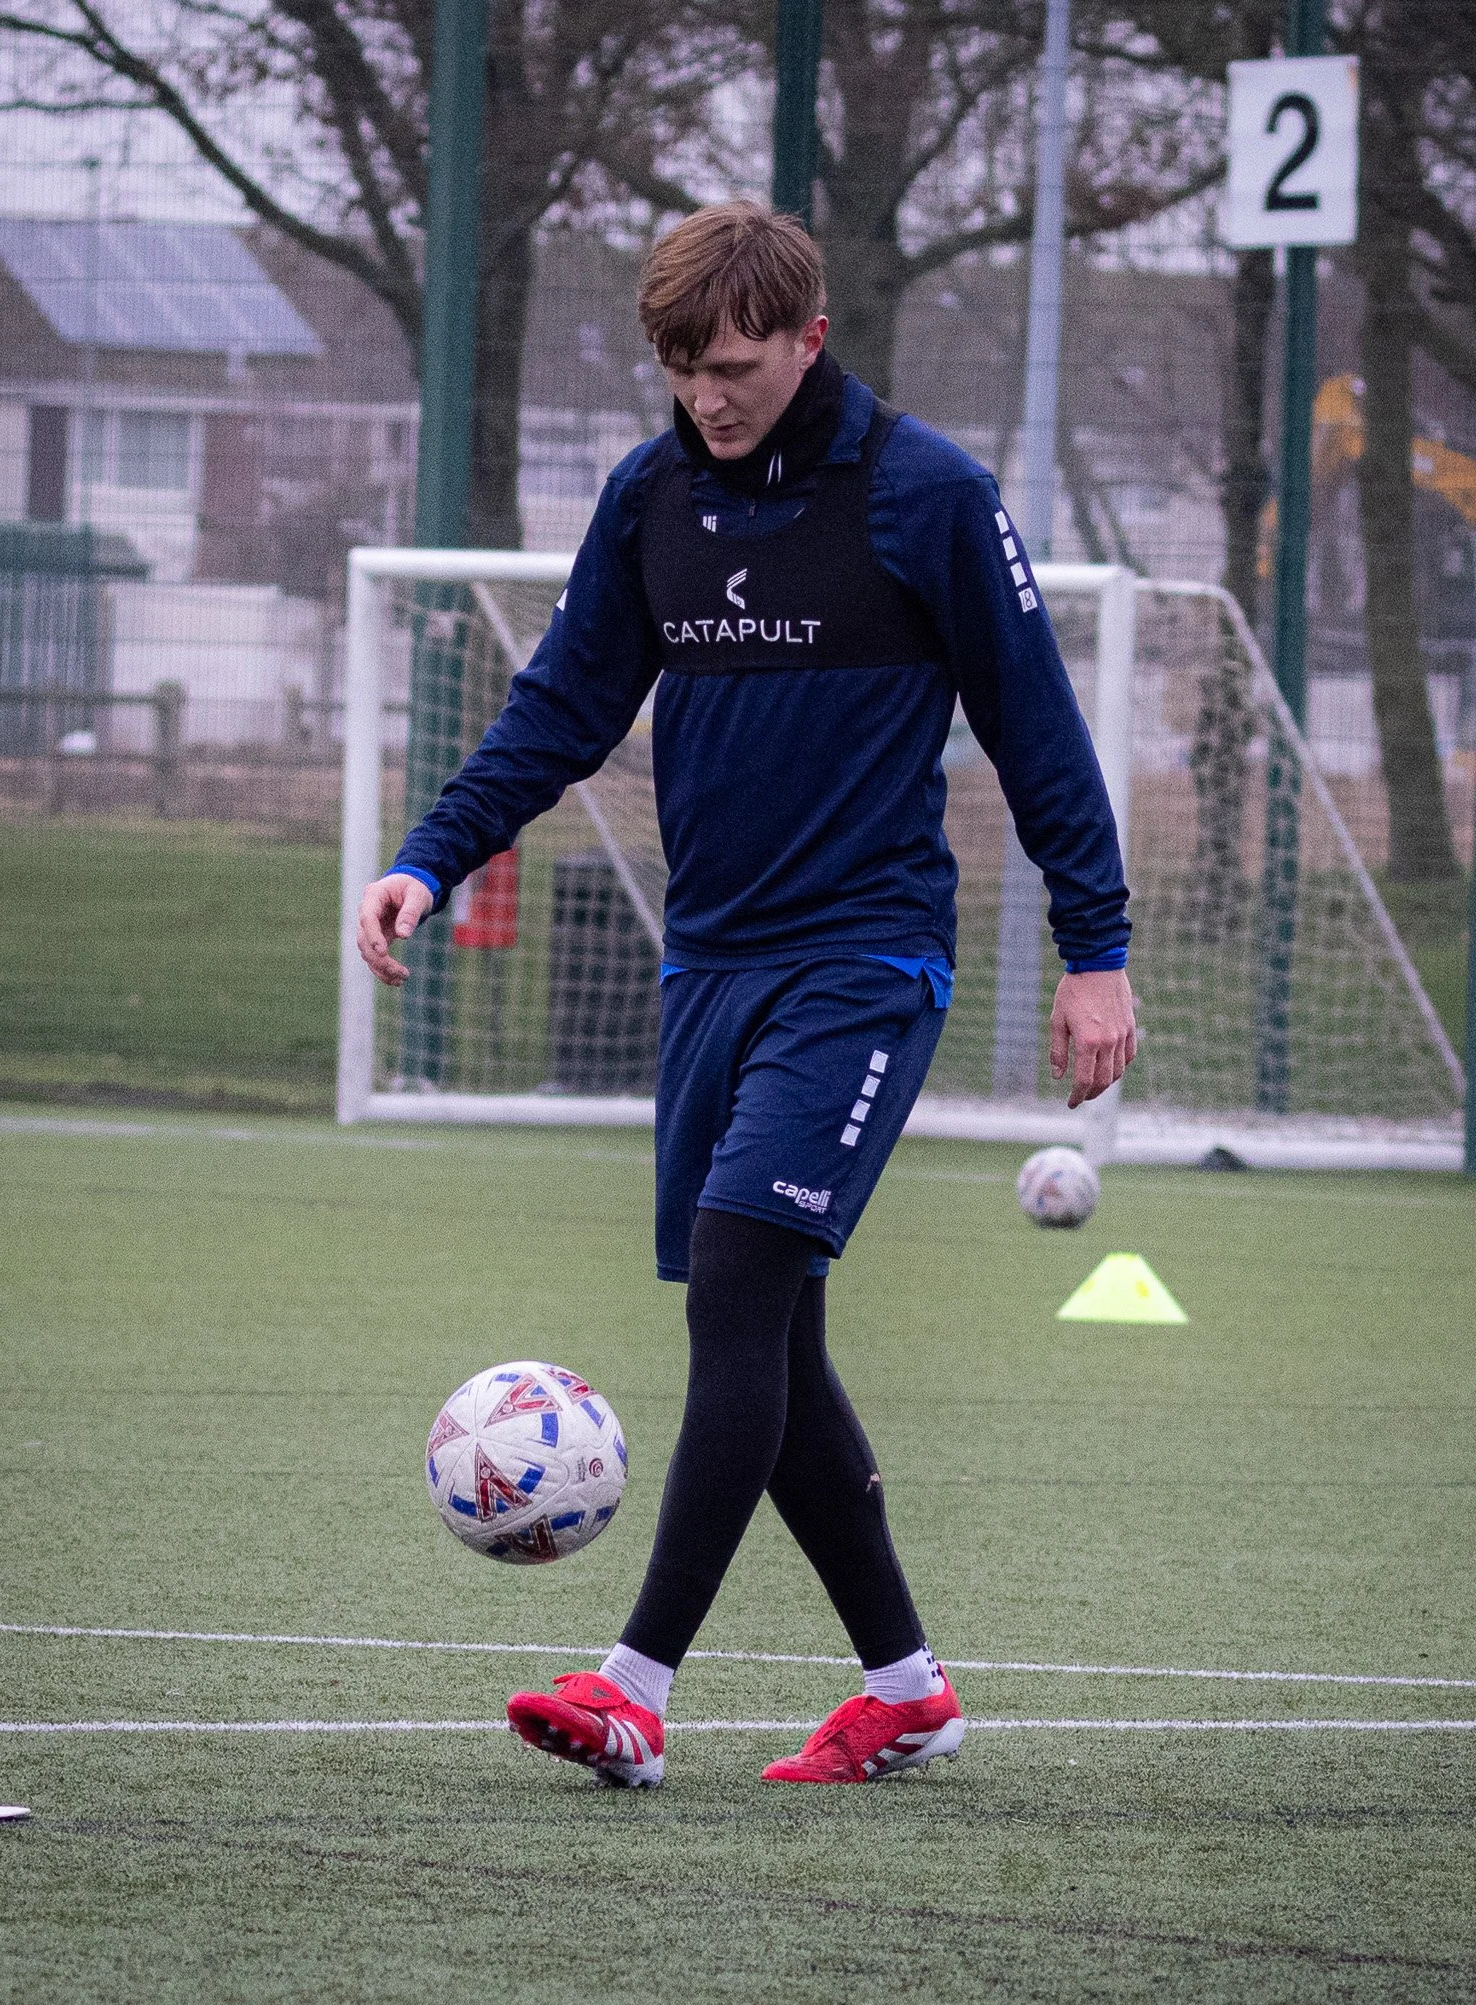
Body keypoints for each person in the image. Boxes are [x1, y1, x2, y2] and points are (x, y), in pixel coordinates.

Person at [358, 201, 1135, 1788]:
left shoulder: (926, 497)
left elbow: (1036, 730)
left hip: (864, 961)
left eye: (729, 365)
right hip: (711, 965)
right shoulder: (651, 497)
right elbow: (560, 706)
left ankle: (633, 1687)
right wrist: (429, 859)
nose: (704, 396)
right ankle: (907, 1688)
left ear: (807, 339)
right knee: (774, 1343)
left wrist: (1096, 948)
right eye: (676, 368)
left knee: (735, 1285)